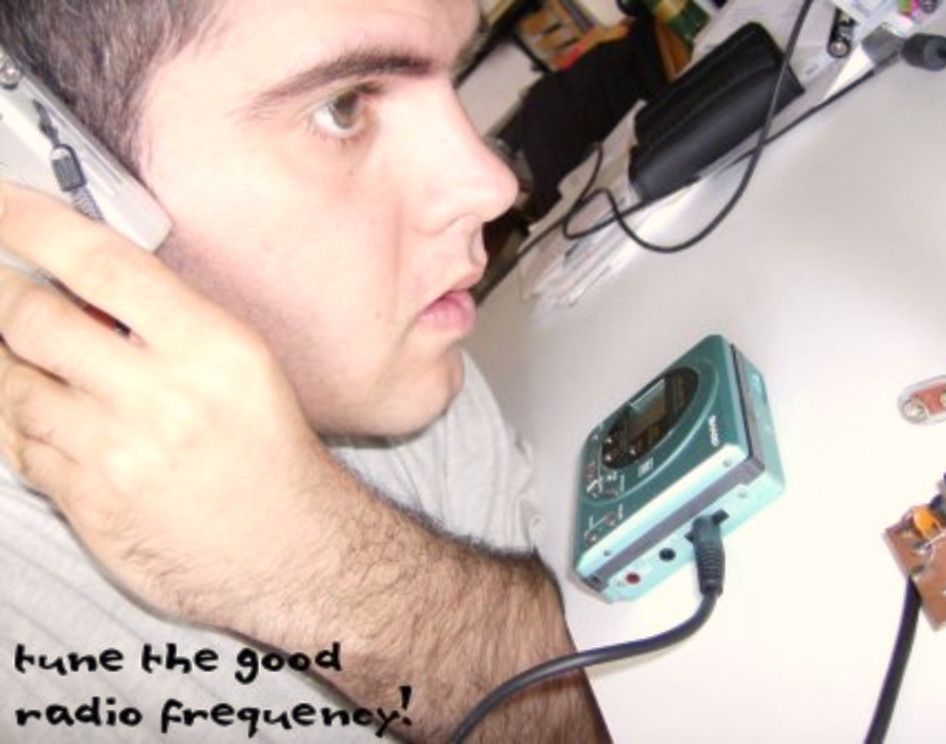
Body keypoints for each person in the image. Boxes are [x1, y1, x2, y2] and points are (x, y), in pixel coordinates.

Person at [0, 0, 609, 741]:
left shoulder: (373, 354)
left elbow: (574, 697)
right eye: (343, 107)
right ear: (60, 180)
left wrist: (329, 569)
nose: (493, 185)